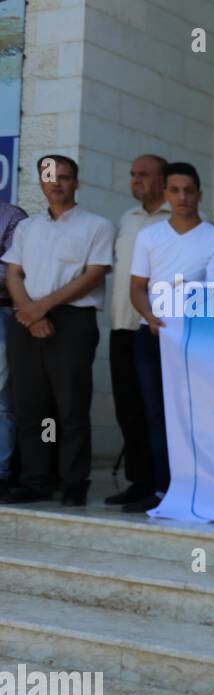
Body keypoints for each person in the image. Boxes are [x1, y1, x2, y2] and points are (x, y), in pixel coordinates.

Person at [1, 155, 114, 506]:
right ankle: (37, 479)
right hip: (26, 320)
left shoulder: (96, 226)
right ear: (41, 182)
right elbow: (13, 273)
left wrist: (40, 308)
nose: (57, 184)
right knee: (33, 405)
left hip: (71, 322)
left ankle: (73, 481)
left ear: (76, 182)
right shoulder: (28, 227)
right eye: (50, 178)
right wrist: (29, 312)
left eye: (65, 178)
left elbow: (92, 276)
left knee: (70, 406)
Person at [127, 162, 214, 514]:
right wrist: (150, 317)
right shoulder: (149, 237)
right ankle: (161, 488)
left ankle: (199, 487)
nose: (182, 197)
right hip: (153, 335)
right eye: (175, 190)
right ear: (166, 194)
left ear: (200, 193)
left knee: (196, 414)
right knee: (156, 413)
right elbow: (137, 288)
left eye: (189, 190)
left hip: (197, 341)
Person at [106, 154, 169, 506]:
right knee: (127, 407)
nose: (136, 181)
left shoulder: (181, 221)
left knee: (156, 410)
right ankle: (139, 481)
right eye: (132, 175)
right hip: (122, 324)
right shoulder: (126, 220)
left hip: (158, 329)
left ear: (163, 179)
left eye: (144, 175)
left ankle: (163, 482)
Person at [0, 199, 27, 498]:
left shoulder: (12, 217)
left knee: (2, 401)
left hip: (3, 312)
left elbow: (12, 269)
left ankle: (2, 472)